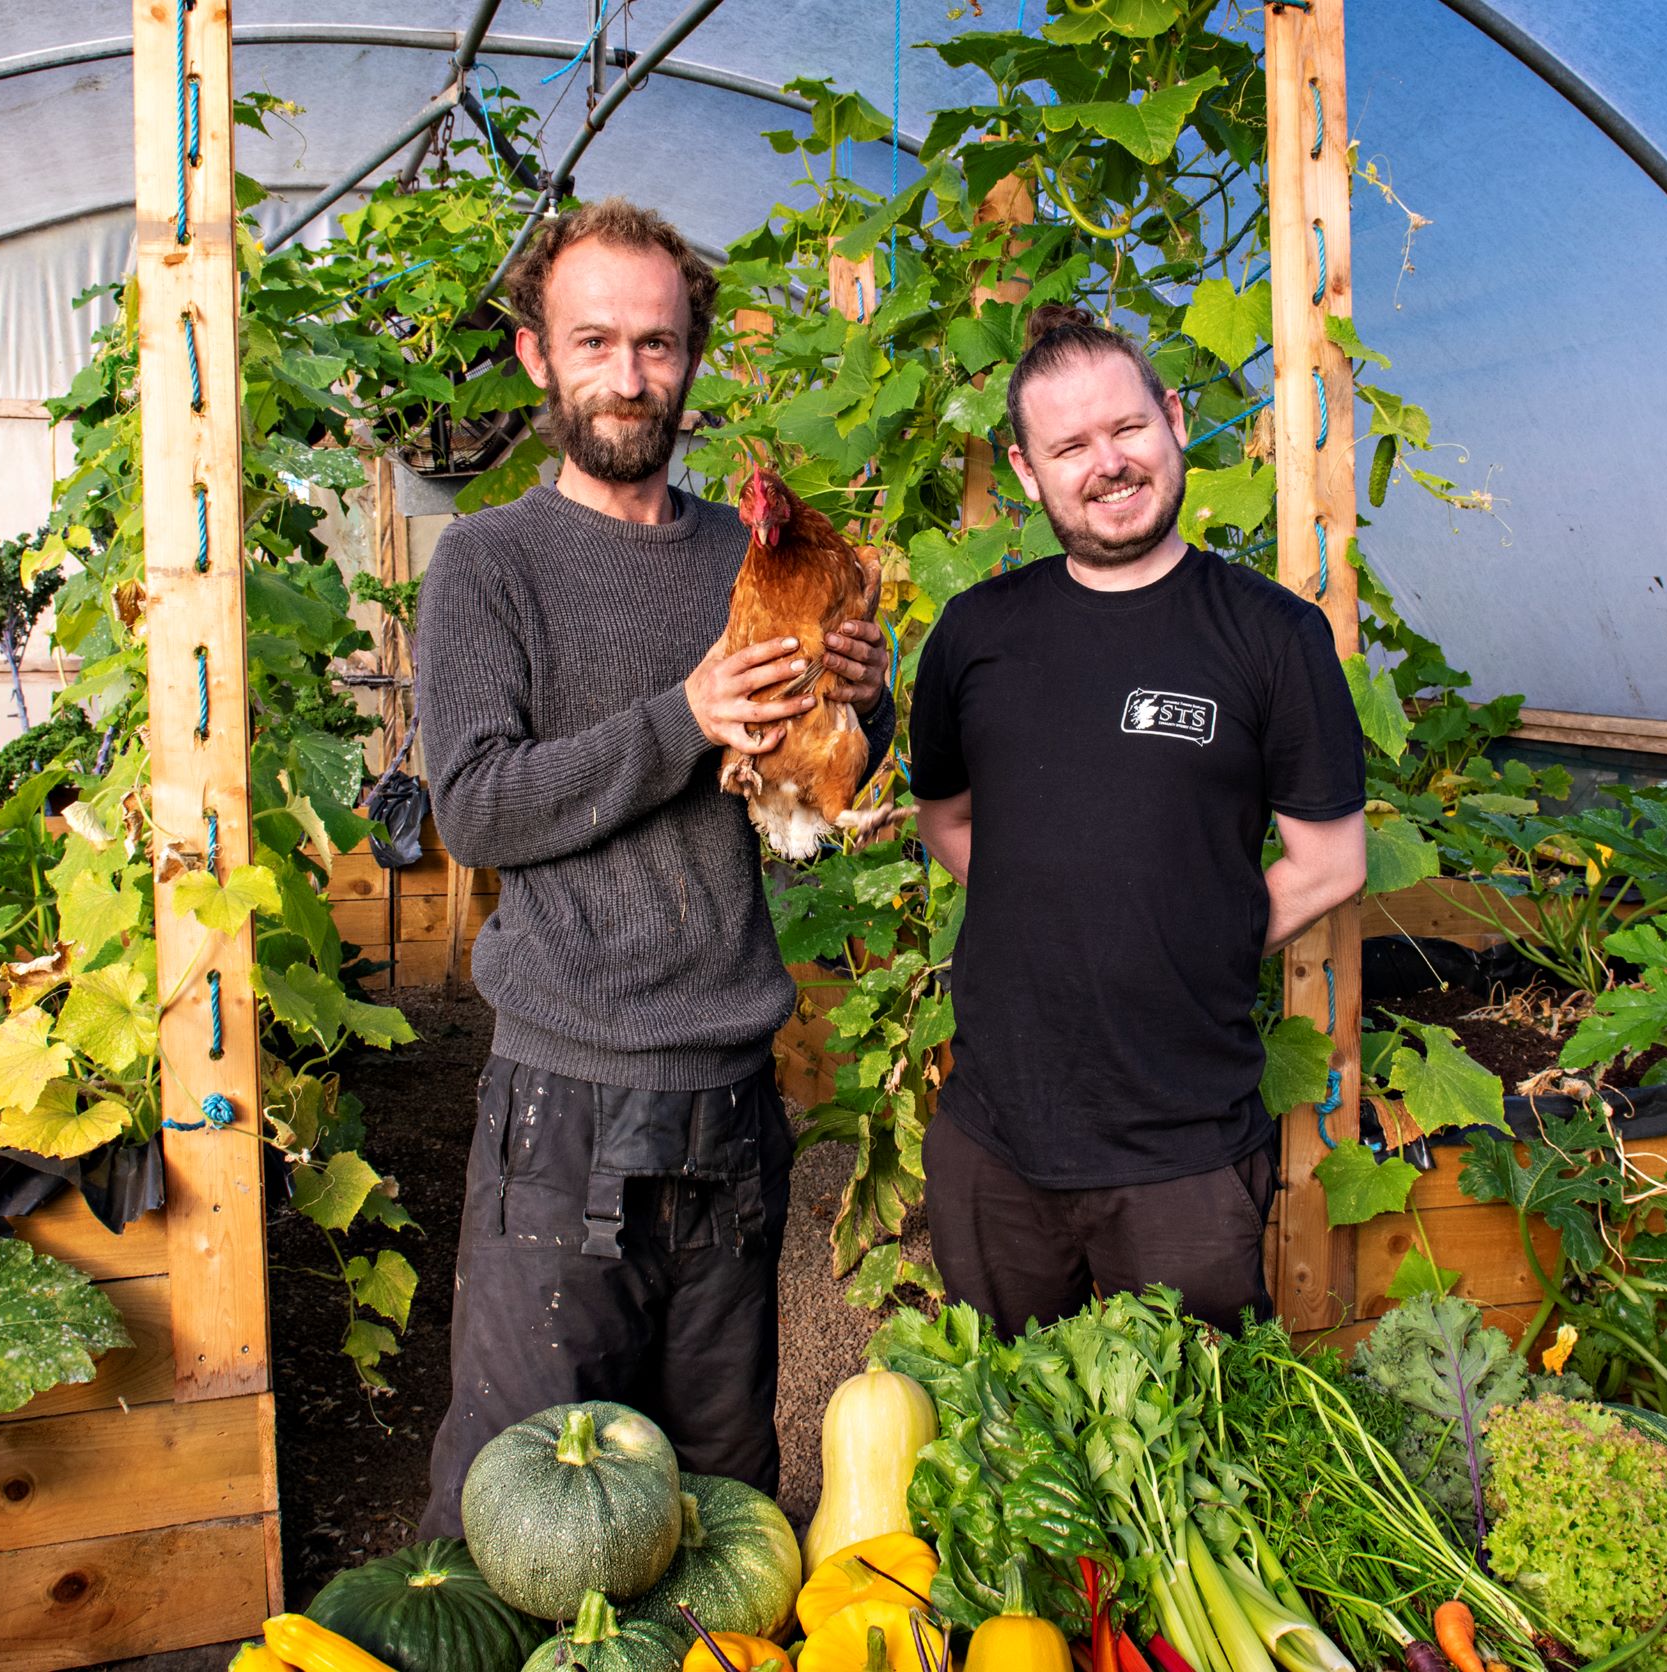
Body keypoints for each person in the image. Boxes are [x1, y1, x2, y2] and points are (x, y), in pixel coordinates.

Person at [412, 198, 892, 1533]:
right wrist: (680, 721)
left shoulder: (737, 553)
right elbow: (479, 811)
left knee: (719, 1503)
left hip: (731, 1105)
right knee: (530, 1508)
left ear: (692, 359)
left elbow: (801, 767)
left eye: (661, 345)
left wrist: (861, 698)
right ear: (537, 359)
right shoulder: (489, 563)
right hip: (564, 1102)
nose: (631, 377)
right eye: (598, 342)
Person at [906, 303, 1368, 1335]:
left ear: (1170, 421)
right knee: (1014, 1440)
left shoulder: (1271, 638)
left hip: (1183, 1157)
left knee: (1189, 1456)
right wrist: (1050, 912)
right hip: (993, 1147)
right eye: (1069, 445)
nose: (1106, 464)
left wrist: (1190, 934)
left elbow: (1332, 864)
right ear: (1029, 473)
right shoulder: (977, 633)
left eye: (1125, 429)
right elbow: (943, 817)